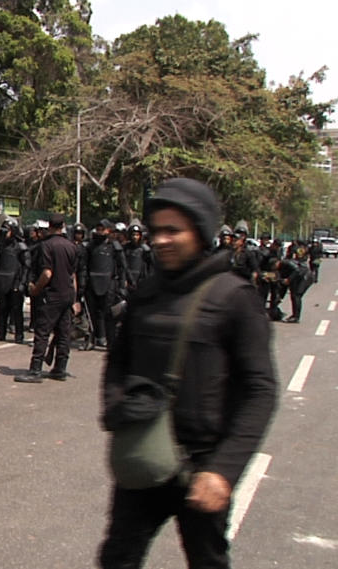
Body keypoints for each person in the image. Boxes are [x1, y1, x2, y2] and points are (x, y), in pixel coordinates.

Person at [99, 178, 277, 569]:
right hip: (144, 459)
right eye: (155, 231)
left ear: (200, 231)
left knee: (207, 560)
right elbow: (118, 361)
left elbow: (260, 389)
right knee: (117, 557)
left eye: (172, 231)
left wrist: (224, 471)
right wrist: (118, 410)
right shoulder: (147, 294)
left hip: (202, 470)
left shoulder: (233, 297)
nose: (160, 240)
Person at [16, 214, 79, 382]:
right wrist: (75, 299)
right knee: (63, 333)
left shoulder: (46, 246)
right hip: (67, 294)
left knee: (42, 332)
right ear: (63, 225)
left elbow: (47, 273)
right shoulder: (71, 246)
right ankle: (60, 368)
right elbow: (73, 275)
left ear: (50, 226)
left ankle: (35, 370)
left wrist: (36, 288)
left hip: (51, 295)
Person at [86, 219, 126, 348]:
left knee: (108, 314)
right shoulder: (91, 246)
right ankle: (93, 339)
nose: (99, 231)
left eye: (102, 228)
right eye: (98, 228)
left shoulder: (114, 247)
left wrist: (121, 285)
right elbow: (84, 266)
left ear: (108, 230)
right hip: (92, 283)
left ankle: (110, 342)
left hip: (109, 284)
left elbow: (122, 267)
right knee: (92, 314)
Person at [0, 218, 29, 343]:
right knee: (1, 309)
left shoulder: (20, 246)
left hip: (15, 281)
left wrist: (22, 283)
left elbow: (26, 266)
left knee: (16, 310)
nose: (4, 233)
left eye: (7, 231)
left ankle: (19, 334)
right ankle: (1, 332)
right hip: (0, 280)